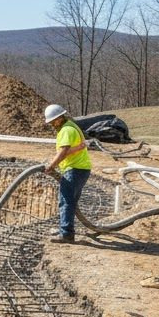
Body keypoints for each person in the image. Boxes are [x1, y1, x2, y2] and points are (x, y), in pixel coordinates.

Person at [43, 104, 92, 244]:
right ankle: (66, 230)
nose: (52, 124)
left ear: (59, 118)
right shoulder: (71, 126)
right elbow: (72, 150)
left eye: (52, 121)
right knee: (70, 201)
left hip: (75, 169)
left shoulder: (66, 130)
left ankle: (66, 234)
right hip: (80, 169)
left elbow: (63, 152)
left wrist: (51, 166)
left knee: (66, 201)